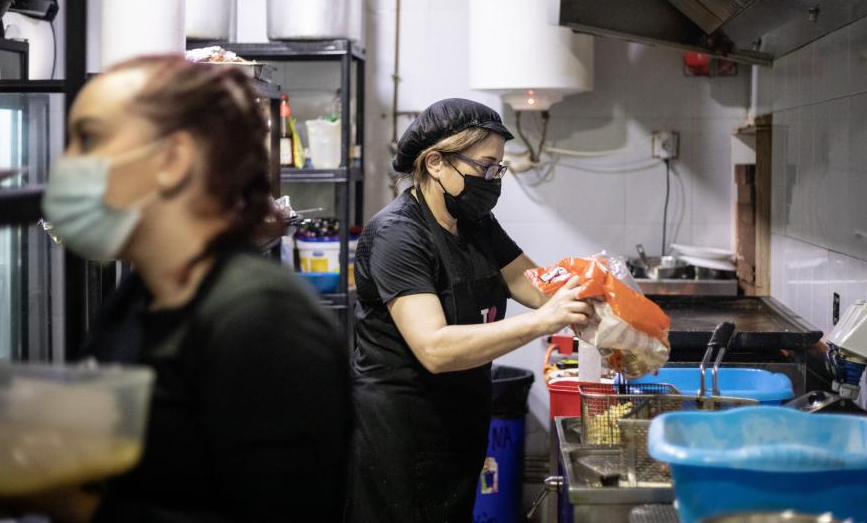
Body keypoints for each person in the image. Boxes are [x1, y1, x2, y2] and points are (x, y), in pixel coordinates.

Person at [31, 55, 350, 522]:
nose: (67, 165)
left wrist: (74, 506)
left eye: (90, 139)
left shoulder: (265, 323)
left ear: (173, 160)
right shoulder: (140, 291)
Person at [346, 98, 593, 522]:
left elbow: (528, 282)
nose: (493, 178)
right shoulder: (396, 235)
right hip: (400, 435)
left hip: (459, 421)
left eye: (499, 168)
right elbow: (435, 348)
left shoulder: (474, 222)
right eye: (484, 165)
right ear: (437, 162)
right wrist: (545, 321)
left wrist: (592, 291)